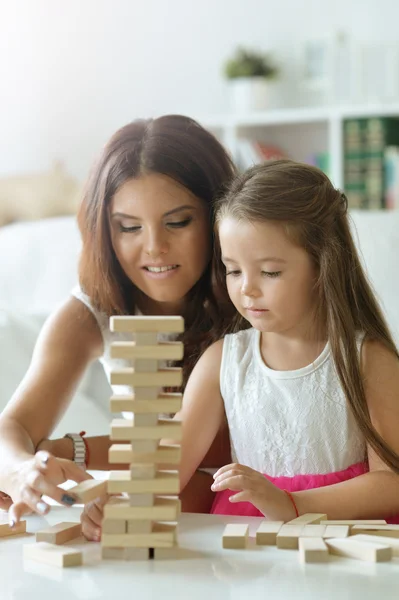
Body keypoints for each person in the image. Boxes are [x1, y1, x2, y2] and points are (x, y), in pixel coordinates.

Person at [82, 158, 399, 540]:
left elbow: (391, 482)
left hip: (344, 538)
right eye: (233, 269)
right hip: (248, 543)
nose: (246, 288)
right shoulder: (224, 361)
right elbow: (170, 459)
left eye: (269, 272)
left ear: (324, 266)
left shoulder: (366, 360)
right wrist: (119, 499)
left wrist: (293, 505)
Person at [0, 114, 235, 527]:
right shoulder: (90, 312)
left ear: (218, 216)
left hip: (243, 509)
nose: (155, 248)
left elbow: (234, 444)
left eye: (178, 222)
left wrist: (76, 449)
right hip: (148, 516)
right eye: (128, 227)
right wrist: (22, 470)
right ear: (104, 231)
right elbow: (14, 426)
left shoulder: (253, 296)